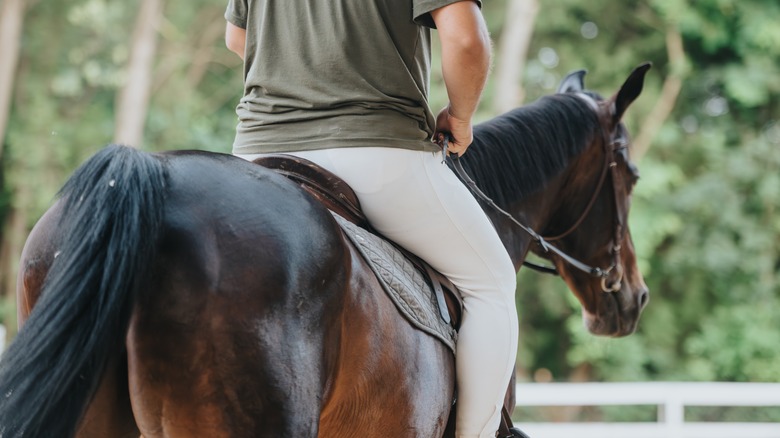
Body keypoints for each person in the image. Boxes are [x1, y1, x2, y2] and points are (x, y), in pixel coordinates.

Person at [224, 1, 518, 436]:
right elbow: (465, 39)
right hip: (375, 152)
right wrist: (460, 117)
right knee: (492, 285)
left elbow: (237, 37)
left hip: (257, 153)